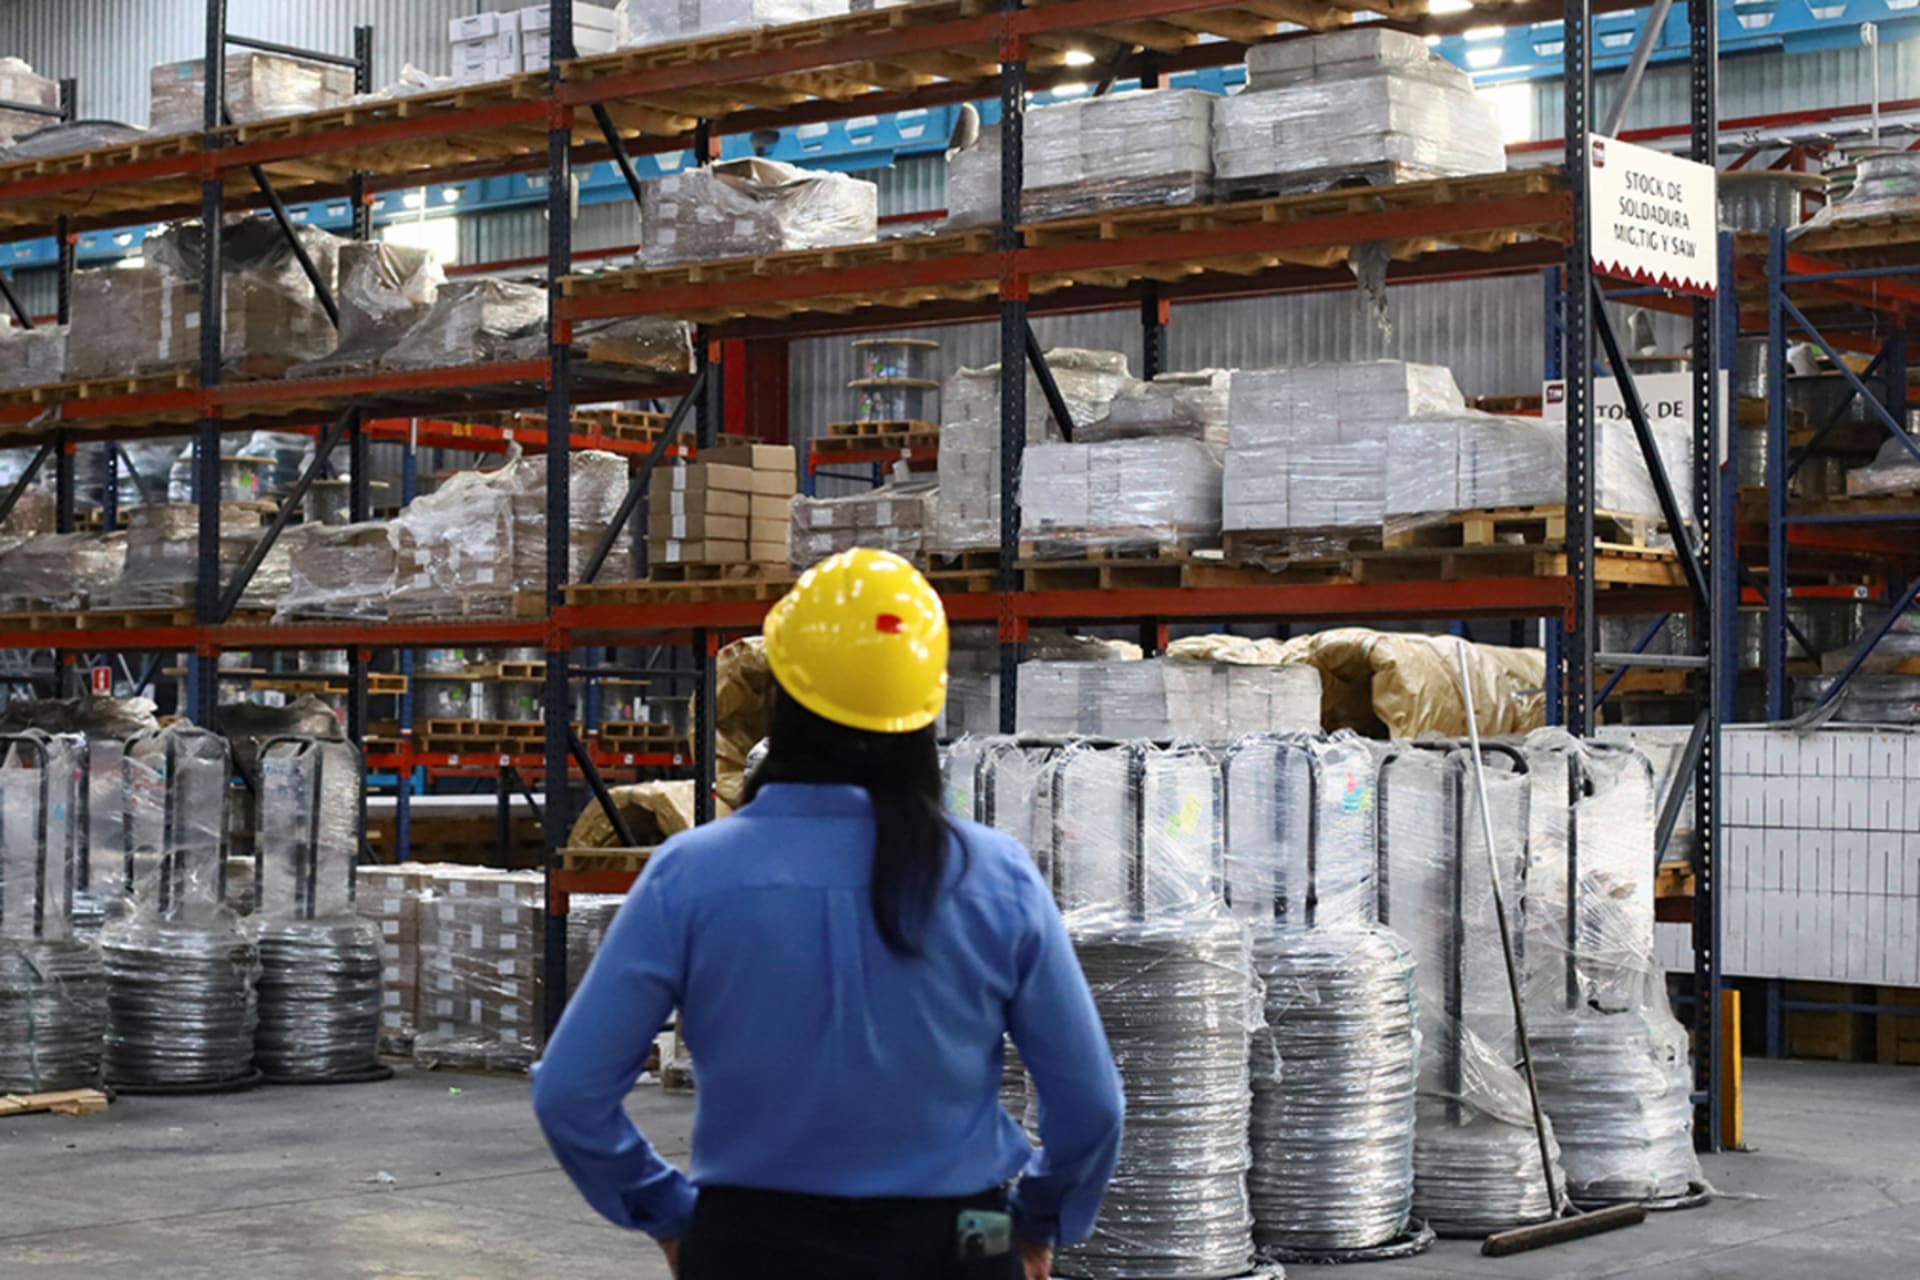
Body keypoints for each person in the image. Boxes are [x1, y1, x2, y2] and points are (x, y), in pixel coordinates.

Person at [532, 548, 1125, 1280]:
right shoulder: (994, 876)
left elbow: (570, 1091)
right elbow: (1092, 1108)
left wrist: (669, 1210)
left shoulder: (691, 874)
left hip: (752, 1240)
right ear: (924, 708)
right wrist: (1033, 1223)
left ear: (780, 694)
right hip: (965, 1234)